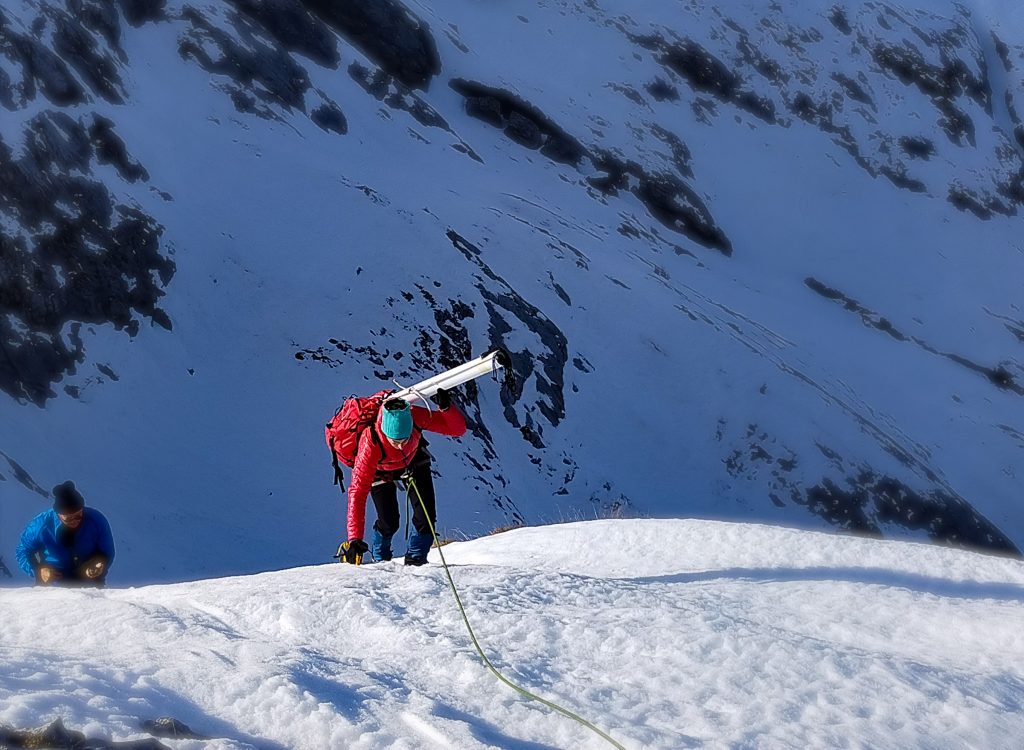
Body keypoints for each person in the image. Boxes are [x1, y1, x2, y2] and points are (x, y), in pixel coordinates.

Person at [337, 387, 466, 566]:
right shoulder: (370, 444)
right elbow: (357, 492)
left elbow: (456, 429)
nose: (399, 446)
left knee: (426, 515)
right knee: (389, 521)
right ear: (384, 431)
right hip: (379, 469)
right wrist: (355, 538)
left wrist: (446, 408)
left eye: (404, 439)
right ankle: (381, 558)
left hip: (413, 461)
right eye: (395, 441)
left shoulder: (414, 417)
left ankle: (416, 559)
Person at [15, 481, 115, 586]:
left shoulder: (96, 520)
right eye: (69, 518)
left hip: (90, 581)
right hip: (52, 583)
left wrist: (100, 564)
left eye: (78, 515)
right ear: (58, 514)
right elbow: (22, 551)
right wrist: (38, 570)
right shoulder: (41, 525)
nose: (75, 521)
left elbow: (107, 551)